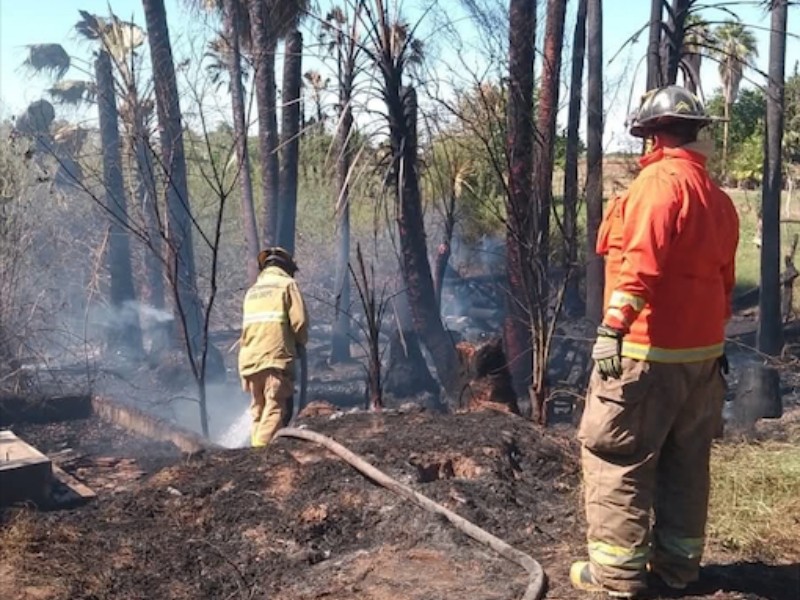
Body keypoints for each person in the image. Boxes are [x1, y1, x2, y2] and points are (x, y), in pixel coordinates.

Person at [570, 85, 740, 598]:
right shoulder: (718, 199)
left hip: (647, 354)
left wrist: (612, 329)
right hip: (702, 359)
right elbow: (725, 283)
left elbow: (640, 266)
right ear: (694, 132)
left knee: (618, 457)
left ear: (652, 135)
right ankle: (678, 566)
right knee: (686, 462)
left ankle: (616, 575)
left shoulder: (658, 185)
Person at [238, 247, 308, 448]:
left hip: (250, 360)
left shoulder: (253, 291)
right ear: (287, 268)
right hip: (275, 358)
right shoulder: (287, 285)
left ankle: (256, 448)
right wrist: (300, 343)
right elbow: (300, 322)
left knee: (258, 410)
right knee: (275, 407)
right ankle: (259, 454)